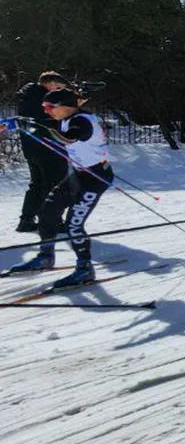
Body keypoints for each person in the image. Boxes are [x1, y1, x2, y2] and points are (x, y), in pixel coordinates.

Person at [1, 90, 112, 287]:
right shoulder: (65, 118)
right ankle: (46, 256)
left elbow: (68, 138)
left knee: (73, 225)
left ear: (66, 106)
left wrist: (34, 127)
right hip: (79, 175)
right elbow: (43, 123)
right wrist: (17, 121)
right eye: (44, 107)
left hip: (95, 178)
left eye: (50, 107)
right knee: (47, 212)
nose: (47, 111)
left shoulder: (83, 121)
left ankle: (84, 269)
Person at [13, 71, 70, 233]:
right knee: (54, 185)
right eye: (59, 88)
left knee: (37, 184)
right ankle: (52, 222)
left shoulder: (29, 96)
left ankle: (26, 220)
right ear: (50, 84)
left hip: (31, 148)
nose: (60, 91)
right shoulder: (44, 99)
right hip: (48, 147)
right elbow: (58, 117)